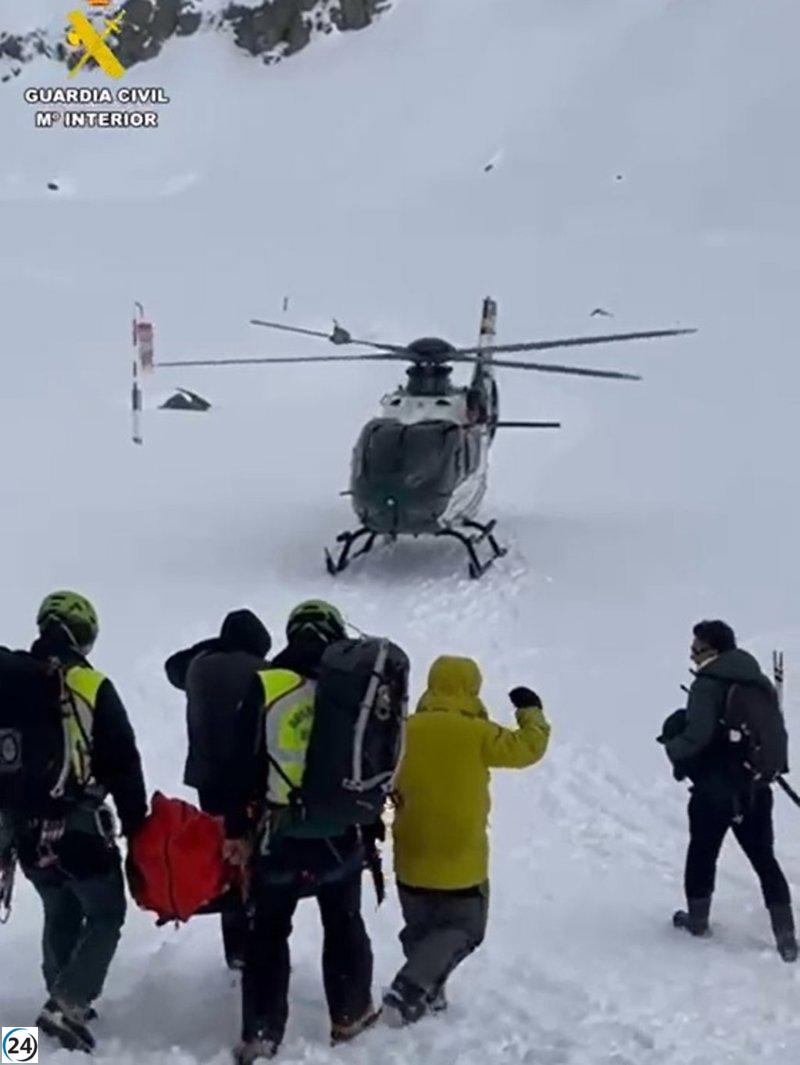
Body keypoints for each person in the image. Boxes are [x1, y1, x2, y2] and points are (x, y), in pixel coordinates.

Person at [223, 600, 378, 1064]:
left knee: (268, 933)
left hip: (279, 839)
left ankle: (262, 1035)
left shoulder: (266, 685)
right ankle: (350, 1014)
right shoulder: (356, 691)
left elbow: (240, 764)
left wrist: (236, 829)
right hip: (342, 838)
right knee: (345, 922)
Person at [384, 656, 551, 1026]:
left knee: (422, 929)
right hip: (461, 857)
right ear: (471, 688)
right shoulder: (477, 733)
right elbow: (528, 748)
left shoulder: (404, 731)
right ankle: (411, 987)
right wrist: (531, 711)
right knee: (465, 929)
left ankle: (430, 992)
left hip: (410, 853)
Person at [17, 592, 147, 1051]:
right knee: (106, 912)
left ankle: (58, 1004)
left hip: (24, 829)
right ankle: (67, 1003)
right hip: (79, 824)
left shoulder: (12, 685)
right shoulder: (91, 687)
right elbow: (123, 761)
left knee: (58, 905)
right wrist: (139, 824)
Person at [661, 619, 797, 961]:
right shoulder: (758, 680)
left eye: (697, 650)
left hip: (715, 787)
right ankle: (786, 936)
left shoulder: (708, 685)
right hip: (755, 786)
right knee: (764, 858)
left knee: (703, 851)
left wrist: (674, 746)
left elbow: (697, 736)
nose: (692, 656)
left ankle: (697, 920)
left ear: (714, 651)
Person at [164, 609, 271, 969]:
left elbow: (172, 666)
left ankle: (236, 948)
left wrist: (214, 646)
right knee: (253, 856)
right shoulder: (263, 672)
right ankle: (258, 940)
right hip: (251, 779)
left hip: (207, 779)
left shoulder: (197, 667)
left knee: (226, 859)